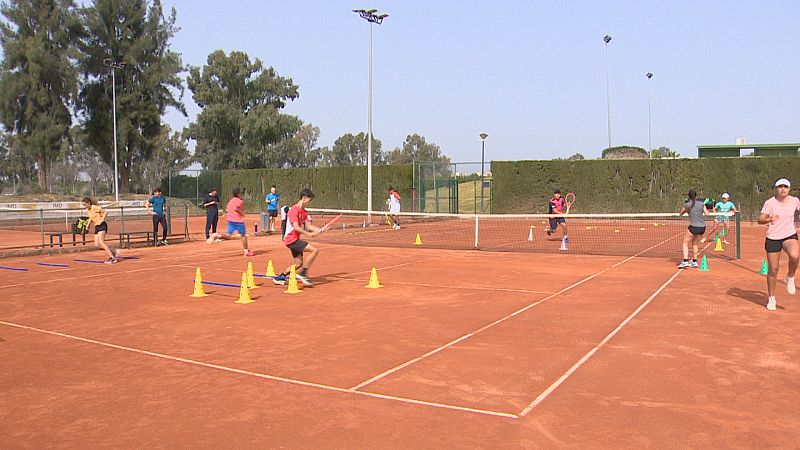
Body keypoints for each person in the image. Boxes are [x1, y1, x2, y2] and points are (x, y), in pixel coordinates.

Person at [757, 178, 800, 311]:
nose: (783, 189)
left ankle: (790, 276)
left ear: (789, 189)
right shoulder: (770, 203)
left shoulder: (795, 201)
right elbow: (760, 219)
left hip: (789, 235)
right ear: (776, 188)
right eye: (780, 187)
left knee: (795, 255)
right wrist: (769, 218)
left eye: (785, 187)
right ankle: (771, 297)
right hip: (773, 238)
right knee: (773, 269)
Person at [275, 188, 321, 287]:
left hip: (295, 240)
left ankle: (280, 277)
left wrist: (318, 230)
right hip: (291, 239)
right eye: (309, 201)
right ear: (304, 198)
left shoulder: (304, 212)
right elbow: (296, 227)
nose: (309, 203)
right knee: (314, 250)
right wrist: (308, 234)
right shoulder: (293, 210)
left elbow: (309, 226)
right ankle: (303, 273)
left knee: (298, 263)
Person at [206, 188, 254, 257]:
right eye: (240, 193)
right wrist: (242, 213)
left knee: (228, 235)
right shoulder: (239, 201)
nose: (241, 195)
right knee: (243, 236)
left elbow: (227, 209)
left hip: (230, 220)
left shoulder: (231, 201)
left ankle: (217, 235)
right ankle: (246, 251)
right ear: (238, 194)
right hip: (238, 221)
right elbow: (236, 209)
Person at [81, 197, 118, 264]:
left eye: (85, 204)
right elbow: (90, 218)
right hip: (96, 226)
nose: (84, 206)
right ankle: (113, 251)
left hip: (102, 225)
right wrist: (87, 226)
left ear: (89, 203)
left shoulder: (95, 207)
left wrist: (102, 220)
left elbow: (106, 212)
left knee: (101, 242)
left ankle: (112, 258)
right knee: (97, 245)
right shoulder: (88, 210)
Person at [678, 189, 706, 269]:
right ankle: (694, 262)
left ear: (688, 197)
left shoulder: (687, 204)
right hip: (702, 228)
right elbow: (707, 213)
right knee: (695, 243)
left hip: (694, 227)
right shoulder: (701, 204)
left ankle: (685, 261)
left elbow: (680, 213)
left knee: (685, 243)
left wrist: (687, 211)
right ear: (696, 196)